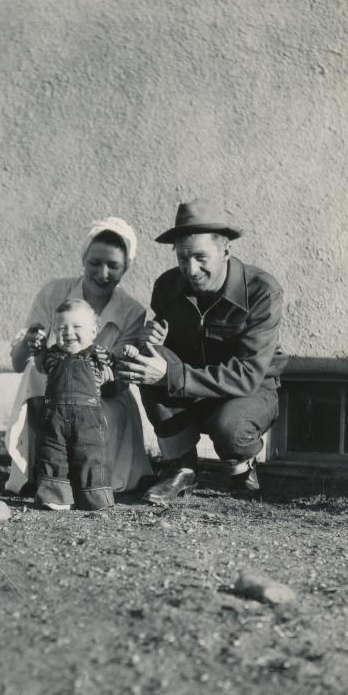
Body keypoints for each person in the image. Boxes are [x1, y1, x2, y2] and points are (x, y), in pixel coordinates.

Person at [117, 198, 287, 502]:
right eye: (182, 258)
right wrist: (152, 341)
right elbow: (164, 353)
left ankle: (241, 469)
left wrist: (172, 375)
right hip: (190, 384)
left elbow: (248, 375)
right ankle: (180, 469)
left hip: (248, 391)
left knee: (230, 426)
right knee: (147, 363)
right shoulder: (167, 286)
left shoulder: (262, 290)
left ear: (225, 250)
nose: (190, 269)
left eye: (200, 257)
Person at [5, 218, 153, 496]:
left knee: (91, 425)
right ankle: (39, 470)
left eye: (113, 266)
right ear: (83, 259)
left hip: (102, 395)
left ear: (127, 267)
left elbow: (118, 381)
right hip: (52, 388)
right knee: (34, 375)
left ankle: (86, 478)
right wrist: (30, 342)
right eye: (95, 263)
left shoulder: (131, 311)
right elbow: (17, 363)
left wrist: (93, 377)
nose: (103, 273)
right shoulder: (54, 293)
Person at [34, 299, 116, 511]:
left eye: (77, 327)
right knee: (52, 453)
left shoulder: (98, 355)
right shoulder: (52, 355)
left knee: (91, 455)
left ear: (93, 331)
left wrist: (122, 360)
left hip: (88, 418)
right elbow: (39, 364)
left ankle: (93, 497)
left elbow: (114, 372)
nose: (68, 332)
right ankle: (55, 497)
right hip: (54, 416)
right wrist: (39, 347)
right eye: (61, 328)